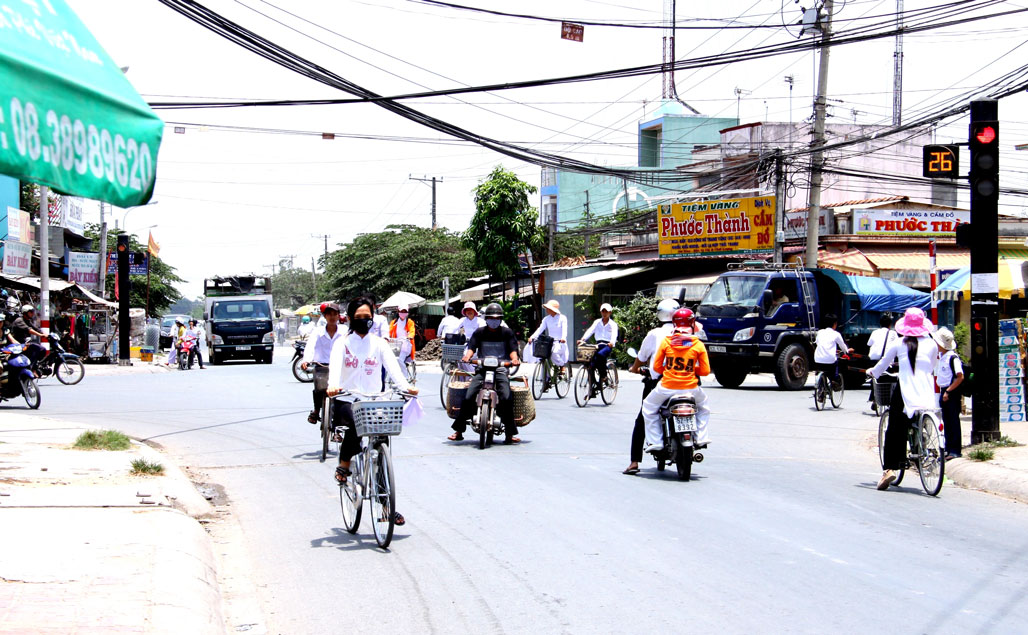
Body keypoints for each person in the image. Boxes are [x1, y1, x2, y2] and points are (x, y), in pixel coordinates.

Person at [327, 296, 417, 525]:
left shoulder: (380, 343)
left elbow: (394, 370)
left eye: (367, 317)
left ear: (373, 318)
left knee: (380, 446)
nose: (363, 321)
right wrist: (332, 385)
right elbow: (335, 368)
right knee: (355, 429)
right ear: (350, 319)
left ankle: (387, 506)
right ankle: (345, 463)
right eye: (359, 318)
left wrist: (406, 387)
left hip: (376, 400)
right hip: (347, 398)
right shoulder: (342, 343)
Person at [866, 308, 939, 490]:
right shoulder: (932, 344)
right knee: (921, 419)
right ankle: (923, 441)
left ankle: (889, 469)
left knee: (894, 428)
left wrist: (872, 372)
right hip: (926, 391)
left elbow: (883, 363)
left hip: (905, 390)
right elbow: (932, 366)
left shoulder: (899, 343)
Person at [446, 303, 522, 444]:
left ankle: (510, 433)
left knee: (506, 397)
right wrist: (467, 357)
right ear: (486, 319)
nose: (494, 320)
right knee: (469, 396)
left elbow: (513, 350)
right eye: (491, 318)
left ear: (500, 319)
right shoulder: (479, 332)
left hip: (500, 370)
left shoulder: (507, 333)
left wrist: (514, 359)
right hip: (482, 369)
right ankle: (459, 431)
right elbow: (471, 347)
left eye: (497, 318)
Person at [640, 308, 712, 455]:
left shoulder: (667, 342)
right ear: (692, 323)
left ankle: (656, 442)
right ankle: (701, 437)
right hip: (691, 388)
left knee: (648, 407)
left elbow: (657, 367)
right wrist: (690, 369)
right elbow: (705, 371)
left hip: (667, 387)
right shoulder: (697, 344)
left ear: (674, 324)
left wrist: (670, 369)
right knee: (704, 408)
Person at [623, 298, 679, 474]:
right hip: (687, 381)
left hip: (660, 382)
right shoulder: (687, 332)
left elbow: (642, 355)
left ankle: (634, 462)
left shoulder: (655, 334)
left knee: (643, 416)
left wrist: (634, 368)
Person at [302, 302, 346, 425]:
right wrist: (306, 360)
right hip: (322, 365)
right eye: (329, 314)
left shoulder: (345, 331)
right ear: (325, 316)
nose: (332, 317)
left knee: (341, 396)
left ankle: (339, 425)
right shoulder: (317, 332)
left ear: (338, 316)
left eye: (335, 314)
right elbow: (310, 346)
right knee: (319, 388)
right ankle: (316, 410)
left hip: (340, 367)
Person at [934, 327, 964, 460]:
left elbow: (960, 376)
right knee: (947, 421)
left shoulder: (953, 358)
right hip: (944, 391)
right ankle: (948, 448)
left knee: (953, 421)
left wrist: (948, 391)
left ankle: (955, 450)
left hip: (950, 392)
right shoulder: (943, 357)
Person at [578, 303, 619, 394]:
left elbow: (614, 334)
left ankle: (604, 375)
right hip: (598, 344)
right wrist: (583, 339)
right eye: (603, 311)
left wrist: (612, 342)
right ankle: (594, 384)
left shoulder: (613, 324)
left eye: (606, 311)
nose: (604, 313)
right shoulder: (597, 322)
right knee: (590, 363)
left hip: (607, 345)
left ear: (610, 313)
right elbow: (590, 330)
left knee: (600, 355)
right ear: (601, 312)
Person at [866, 313, 898, 411]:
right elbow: (897, 346)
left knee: (874, 377)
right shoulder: (893, 334)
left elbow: (869, 343)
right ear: (890, 325)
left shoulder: (874, 332)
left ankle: (874, 398)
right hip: (886, 361)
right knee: (888, 379)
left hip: (873, 360)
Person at [525, 299, 569, 366]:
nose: (546, 309)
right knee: (542, 354)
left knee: (554, 353)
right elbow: (540, 329)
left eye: (548, 308)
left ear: (552, 309)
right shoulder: (546, 319)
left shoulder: (562, 318)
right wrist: (532, 337)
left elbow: (564, 330)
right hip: (549, 342)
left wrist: (563, 338)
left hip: (559, 342)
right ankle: (546, 376)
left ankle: (562, 365)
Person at [813, 313, 853, 387]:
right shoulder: (836, 334)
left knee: (821, 369)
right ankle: (834, 380)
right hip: (829, 360)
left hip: (818, 359)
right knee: (835, 364)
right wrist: (847, 351)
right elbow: (842, 346)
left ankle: (820, 388)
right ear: (835, 324)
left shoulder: (820, 332)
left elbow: (818, 343)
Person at [389, 304, 416, 378]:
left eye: (405, 311)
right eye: (402, 311)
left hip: (406, 345)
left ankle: (405, 378)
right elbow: (389, 331)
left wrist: (410, 336)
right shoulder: (394, 322)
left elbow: (412, 331)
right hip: (396, 344)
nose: (403, 313)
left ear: (407, 312)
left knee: (399, 359)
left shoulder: (409, 322)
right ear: (398, 312)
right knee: (392, 360)